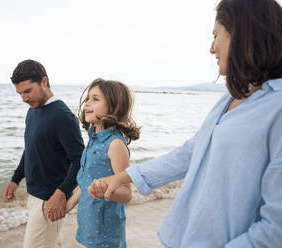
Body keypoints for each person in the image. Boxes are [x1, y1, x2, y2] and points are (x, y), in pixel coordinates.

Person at [89, 0, 282, 247]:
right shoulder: (231, 97)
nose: (212, 48)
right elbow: (191, 152)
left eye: (216, 36)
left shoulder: (276, 108)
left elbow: (276, 229)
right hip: (183, 238)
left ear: (242, 35)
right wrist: (123, 177)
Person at [4, 59, 84, 248]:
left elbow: (80, 160)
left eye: (27, 91)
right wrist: (16, 179)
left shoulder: (62, 116)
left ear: (44, 82)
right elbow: (30, 149)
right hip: (34, 197)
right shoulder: (32, 111)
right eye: (20, 93)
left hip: (50, 201)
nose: (24, 98)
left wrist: (61, 193)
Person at [64, 79, 140, 247]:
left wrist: (105, 189)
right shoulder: (93, 140)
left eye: (95, 99)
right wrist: (66, 206)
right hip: (89, 228)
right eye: (87, 99)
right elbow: (85, 183)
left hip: (107, 234)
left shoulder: (115, 144)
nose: (87, 103)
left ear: (114, 106)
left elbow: (127, 193)